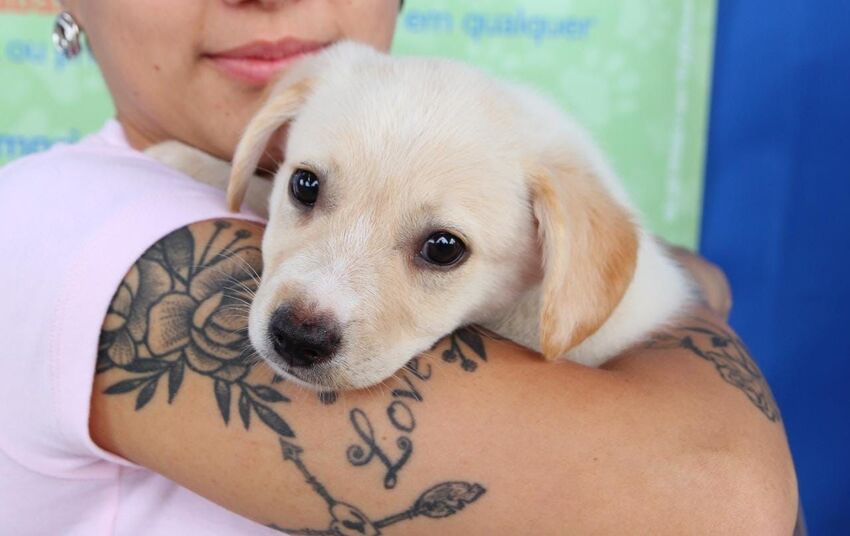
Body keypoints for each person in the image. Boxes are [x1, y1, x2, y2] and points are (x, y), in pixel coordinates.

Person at [0, 1, 799, 534]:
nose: (316, 304)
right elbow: (717, 494)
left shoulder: (397, 139)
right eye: (307, 190)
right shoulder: (53, 220)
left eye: (439, 249)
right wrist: (687, 290)